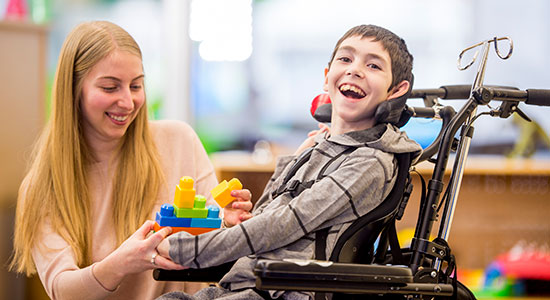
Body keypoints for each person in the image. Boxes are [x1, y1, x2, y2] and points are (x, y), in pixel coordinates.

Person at [156, 24, 423, 300]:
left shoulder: (370, 162)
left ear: (396, 91)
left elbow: (282, 224)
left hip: (284, 290)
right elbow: (263, 216)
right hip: (245, 284)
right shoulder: (320, 147)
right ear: (326, 76)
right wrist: (296, 159)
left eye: (374, 66)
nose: (355, 69)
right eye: (346, 59)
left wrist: (186, 249)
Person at [9, 20, 252, 300]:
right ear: (74, 91)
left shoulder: (179, 140)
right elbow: (62, 290)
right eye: (110, 88)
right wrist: (121, 263)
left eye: (136, 86)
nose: (128, 102)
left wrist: (229, 224)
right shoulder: (43, 188)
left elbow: (215, 237)